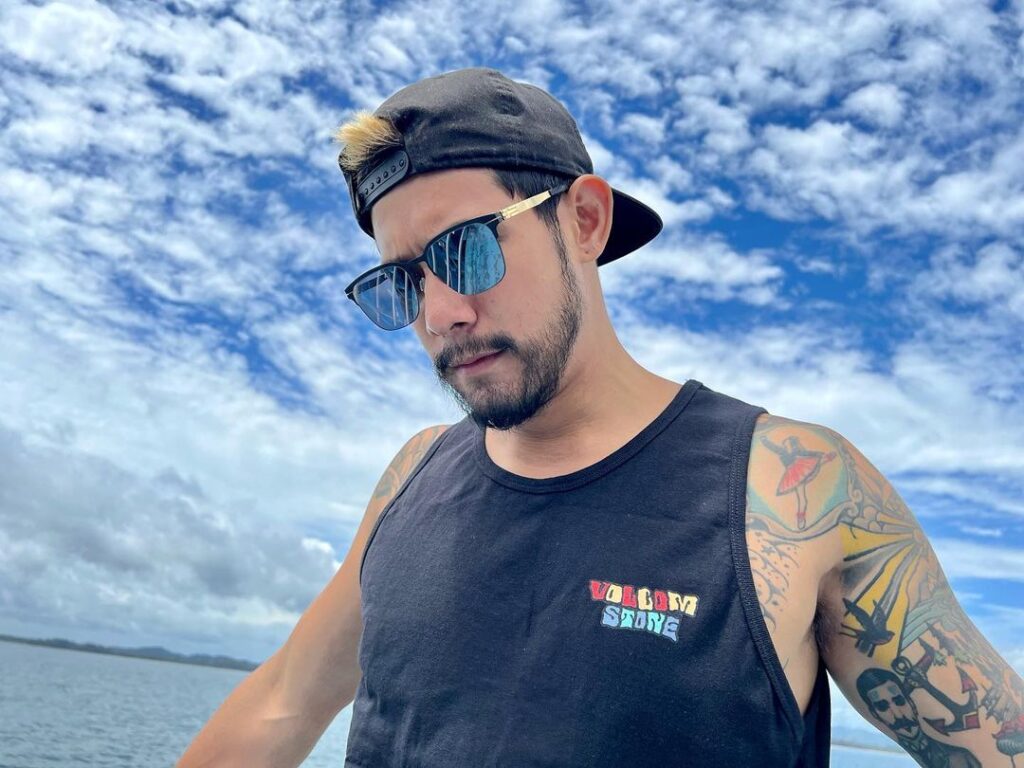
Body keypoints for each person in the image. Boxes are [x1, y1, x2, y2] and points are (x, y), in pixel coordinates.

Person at [177, 67, 1023, 767]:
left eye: (464, 250)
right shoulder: (414, 475)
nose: (441, 315)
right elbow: (286, 702)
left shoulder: (794, 489)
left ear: (583, 220)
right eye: (404, 282)